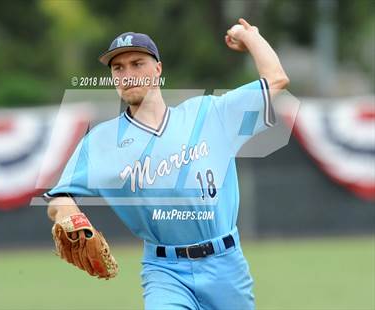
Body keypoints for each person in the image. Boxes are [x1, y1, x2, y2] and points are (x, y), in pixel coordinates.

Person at [45, 18, 289, 309]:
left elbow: (276, 79)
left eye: (137, 63)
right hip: (165, 272)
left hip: (226, 266)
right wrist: (70, 216)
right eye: (118, 68)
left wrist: (250, 36)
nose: (127, 74)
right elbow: (58, 197)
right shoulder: (101, 141)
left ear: (158, 70)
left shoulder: (209, 114)